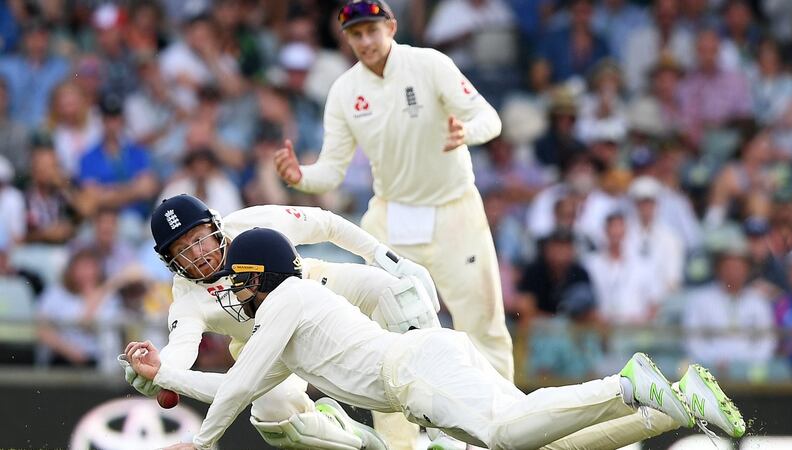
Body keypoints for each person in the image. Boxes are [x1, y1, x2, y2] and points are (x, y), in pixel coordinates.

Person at [126, 228, 746, 450]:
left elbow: (233, 388)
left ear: (257, 273)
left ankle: (626, 383)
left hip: (415, 372)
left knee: (507, 435)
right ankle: (670, 409)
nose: (230, 286)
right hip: (420, 373)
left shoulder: (286, 302)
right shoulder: (281, 322)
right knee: (534, 444)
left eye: (238, 276)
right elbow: (236, 384)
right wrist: (163, 373)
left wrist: (203, 443)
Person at [274, 4, 514, 445]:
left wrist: (467, 132)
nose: (364, 42)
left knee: (482, 323)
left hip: (453, 211)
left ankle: (504, 429)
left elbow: (490, 119)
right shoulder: (345, 91)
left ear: (392, 27)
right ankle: (399, 442)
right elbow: (331, 170)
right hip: (391, 216)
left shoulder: (430, 64)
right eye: (355, 35)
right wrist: (300, 177)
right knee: (386, 336)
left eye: (371, 31)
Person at [121, 194, 440, 450]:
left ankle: (445, 437)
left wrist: (388, 259)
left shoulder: (251, 223)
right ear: (170, 261)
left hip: (317, 284)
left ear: (215, 226)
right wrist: (159, 370)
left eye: (199, 238)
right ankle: (357, 440)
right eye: (183, 250)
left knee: (399, 294)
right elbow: (182, 347)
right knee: (273, 418)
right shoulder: (187, 297)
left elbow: (325, 223)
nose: (199, 254)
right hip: (267, 341)